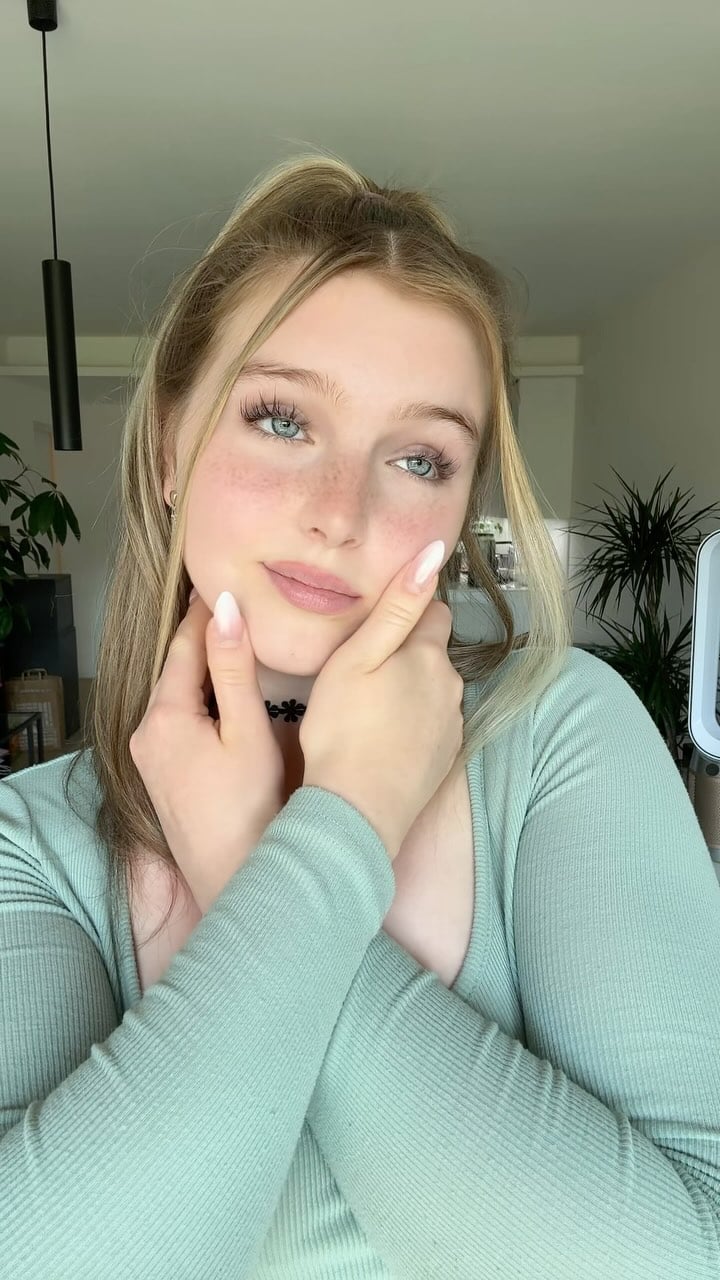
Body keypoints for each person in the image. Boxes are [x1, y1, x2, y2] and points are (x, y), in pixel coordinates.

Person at [2, 153, 719, 1279]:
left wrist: (246, 864)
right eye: (281, 419)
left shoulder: (559, 732)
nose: (340, 512)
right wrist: (334, 841)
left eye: (421, 456)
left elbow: (682, 1255)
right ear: (168, 449)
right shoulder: (31, 838)